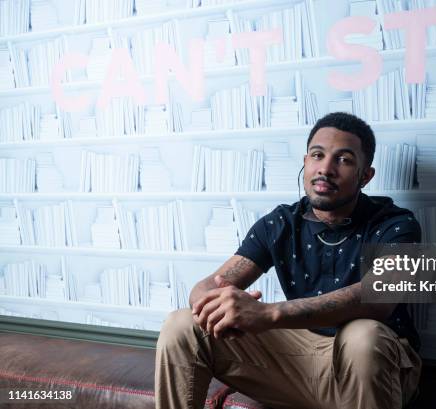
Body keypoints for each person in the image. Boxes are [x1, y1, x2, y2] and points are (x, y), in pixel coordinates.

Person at [155, 112, 422, 409]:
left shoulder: (396, 225)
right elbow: (208, 285)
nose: (326, 168)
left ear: (365, 175)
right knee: (182, 324)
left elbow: (378, 298)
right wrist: (220, 304)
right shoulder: (281, 223)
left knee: (363, 336)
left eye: (343, 160)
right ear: (305, 162)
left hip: (374, 365)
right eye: (317, 155)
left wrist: (268, 313)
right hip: (299, 361)